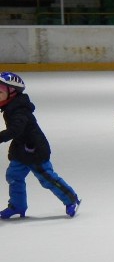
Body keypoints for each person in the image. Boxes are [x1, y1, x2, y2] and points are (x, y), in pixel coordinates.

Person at [0, 72, 81, 220]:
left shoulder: (19, 109)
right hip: (20, 150)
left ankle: (71, 199)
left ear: (12, 93)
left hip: (34, 150)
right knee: (13, 176)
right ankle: (17, 205)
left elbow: (15, 130)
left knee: (47, 178)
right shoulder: (11, 107)